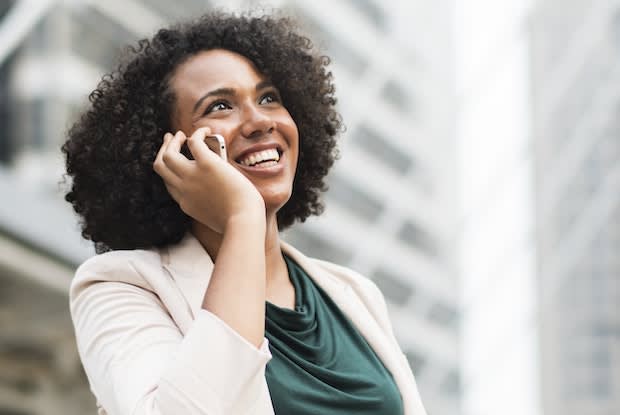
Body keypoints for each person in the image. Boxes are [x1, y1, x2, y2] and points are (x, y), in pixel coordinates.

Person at [63, 10, 427, 415]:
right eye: (220, 106)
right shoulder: (121, 288)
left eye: (269, 98)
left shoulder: (354, 293)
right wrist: (242, 218)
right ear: (168, 152)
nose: (259, 122)